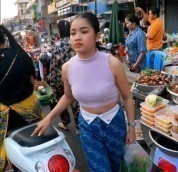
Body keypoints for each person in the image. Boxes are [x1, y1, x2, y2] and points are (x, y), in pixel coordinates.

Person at [32, 12, 136, 171]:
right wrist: (49, 118)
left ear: (97, 36)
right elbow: (68, 96)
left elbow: (127, 97)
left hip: (114, 124)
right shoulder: (67, 68)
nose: (77, 37)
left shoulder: (112, 63)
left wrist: (132, 128)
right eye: (73, 33)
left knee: (117, 166)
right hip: (87, 127)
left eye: (84, 31)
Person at [0, 25, 44, 171]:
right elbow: (35, 82)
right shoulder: (20, 54)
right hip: (30, 114)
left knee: (15, 155)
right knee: (40, 150)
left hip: (5, 122)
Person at [49, 20, 80, 134]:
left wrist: (53, 83)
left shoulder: (56, 46)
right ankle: (78, 127)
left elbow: (53, 65)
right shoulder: (75, 42)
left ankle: (65, 122)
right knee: (76, 102)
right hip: (77, 77)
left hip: (61, 79)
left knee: (61, 100)